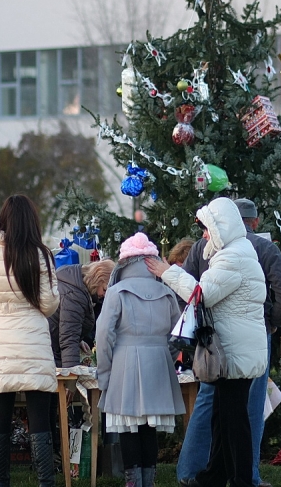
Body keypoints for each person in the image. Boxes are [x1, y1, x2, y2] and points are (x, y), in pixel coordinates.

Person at [176, 199, 281, 487]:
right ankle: (245, 477)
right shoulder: (263, 248)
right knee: (247, 408)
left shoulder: (203, 247)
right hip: (250, 337)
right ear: (253, 222)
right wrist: (270, 323)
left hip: (211, 341)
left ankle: (192, 471)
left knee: (211, 404)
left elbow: (191, 290)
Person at [146, 197, 267, 487]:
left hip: (235, 351)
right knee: (222, 416)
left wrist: (168, 273)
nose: (203, 236)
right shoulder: (239, 251)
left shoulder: (232, 257)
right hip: (237, 348)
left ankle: (241, 480)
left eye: (207, 229)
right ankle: (214, 475)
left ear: (220, 228)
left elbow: (203, 294)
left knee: (233, 420)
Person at [0, 194, 60, 487]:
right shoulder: (42, 255)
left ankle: (1, 481)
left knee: (1, 415)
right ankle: (45, 481)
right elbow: (48, 305)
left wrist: (4, 306)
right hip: (33, 341)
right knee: (39, 418)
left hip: (0, 341)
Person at [95, 232, 185, 487]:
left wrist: (105, 372)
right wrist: (165, 357)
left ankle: (133, 482)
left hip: (125, 363)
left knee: (128, 427)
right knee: (149, 428)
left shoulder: (116, 292)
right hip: (158, 362)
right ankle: (150, 481)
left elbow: (104, 336)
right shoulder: (165, 292)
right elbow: (176, 335)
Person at [47, 258, 114, 469]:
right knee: (52, 408)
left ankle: (54, 458)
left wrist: (80, 339)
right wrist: (71, 380)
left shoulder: (73, 283)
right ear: (98, 279)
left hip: (51, 349)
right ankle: (55, 459)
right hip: (51, 355)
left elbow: (66, 327)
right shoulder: (75, 294)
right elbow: (66, 337)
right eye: (105, 288)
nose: (104, 295)